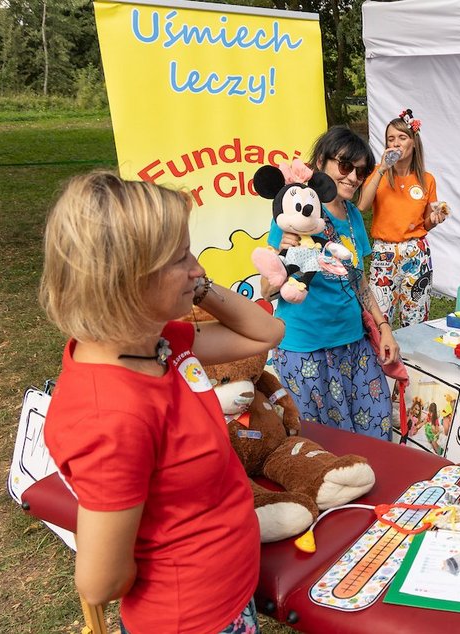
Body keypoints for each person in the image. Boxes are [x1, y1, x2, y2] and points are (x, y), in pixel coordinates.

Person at [39, 171, 285, 634]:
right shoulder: (110, 415)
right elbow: (100, 581)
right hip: (192, 620)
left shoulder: (156, 343)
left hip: (227, 595)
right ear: (125, 278)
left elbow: (266, 333)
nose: (197, 267)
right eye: (180, 258)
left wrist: (199, 287)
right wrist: (183, 569)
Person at [263, 125, 400, 439]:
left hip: (353, 344)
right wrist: (286, 252)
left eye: (361, 172)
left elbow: (359, 281)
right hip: (305, 349)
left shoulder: (352, 216)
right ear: (322, 162)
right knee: (325, 445)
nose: (353, 177)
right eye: (345, 166)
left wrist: (384, 327)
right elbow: (267, 289)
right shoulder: (297, 210)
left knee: (376, 431)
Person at [358, 108, 448, 326]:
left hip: (416, 254)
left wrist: (435, 220)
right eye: (391, 139)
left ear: (413, 142)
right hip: (384, 254)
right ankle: (381, 359)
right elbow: (361, 206)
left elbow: (425, 223)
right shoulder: (378, 172)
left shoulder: (426, 179)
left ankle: (410, 359)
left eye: (402, 137)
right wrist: (381, 170)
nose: (396, 143)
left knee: (415, 319)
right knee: (379, 318)